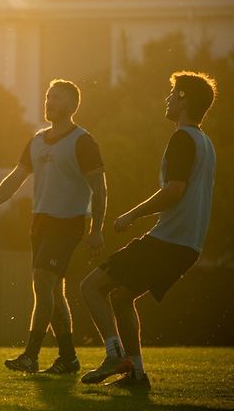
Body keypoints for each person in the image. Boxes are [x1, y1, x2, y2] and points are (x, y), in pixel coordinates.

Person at [80, 71, 217, 390]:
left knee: (91, 287)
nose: (167, 99)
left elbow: (174, 190)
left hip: (168, 240)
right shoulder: (205, 142)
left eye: (172, 93)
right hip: (189, 246)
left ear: (183, 100)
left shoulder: (183, 138)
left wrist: (132, 213)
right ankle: (136, 376)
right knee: (122, 298)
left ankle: (115, 355)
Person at [0, 80, 106, 374]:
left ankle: (31, 355)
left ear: (72, 106)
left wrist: (97, 228)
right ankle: (68, 358)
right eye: (47, 97)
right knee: (52, 290)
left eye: (56, 98)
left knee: (42, 280)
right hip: (40, 222)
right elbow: (17, 175)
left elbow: (99, 189)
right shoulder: (36, 140)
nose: (48, 102)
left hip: (69, 222)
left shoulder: (82, 141)